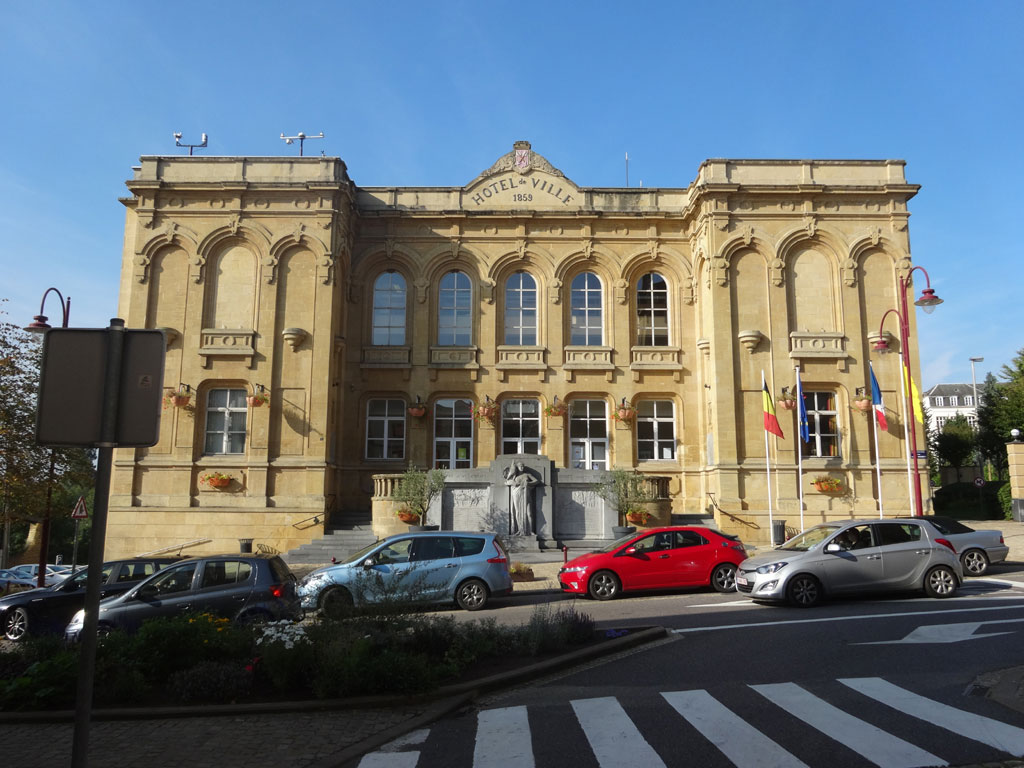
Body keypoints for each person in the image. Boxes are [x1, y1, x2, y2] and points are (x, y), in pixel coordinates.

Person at [504, 461, 540, 536]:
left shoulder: (527, 474)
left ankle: (530, 530)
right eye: (520, 466)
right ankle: (520, 530)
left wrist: (529, 483)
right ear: (517, 467)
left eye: (523, 466)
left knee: (529, 513)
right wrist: (513, 483)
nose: (522, 467)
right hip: (517, 493)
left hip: (526, 494)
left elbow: (536, 481)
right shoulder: (515, 476)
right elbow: (507, 482)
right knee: (517, 512)